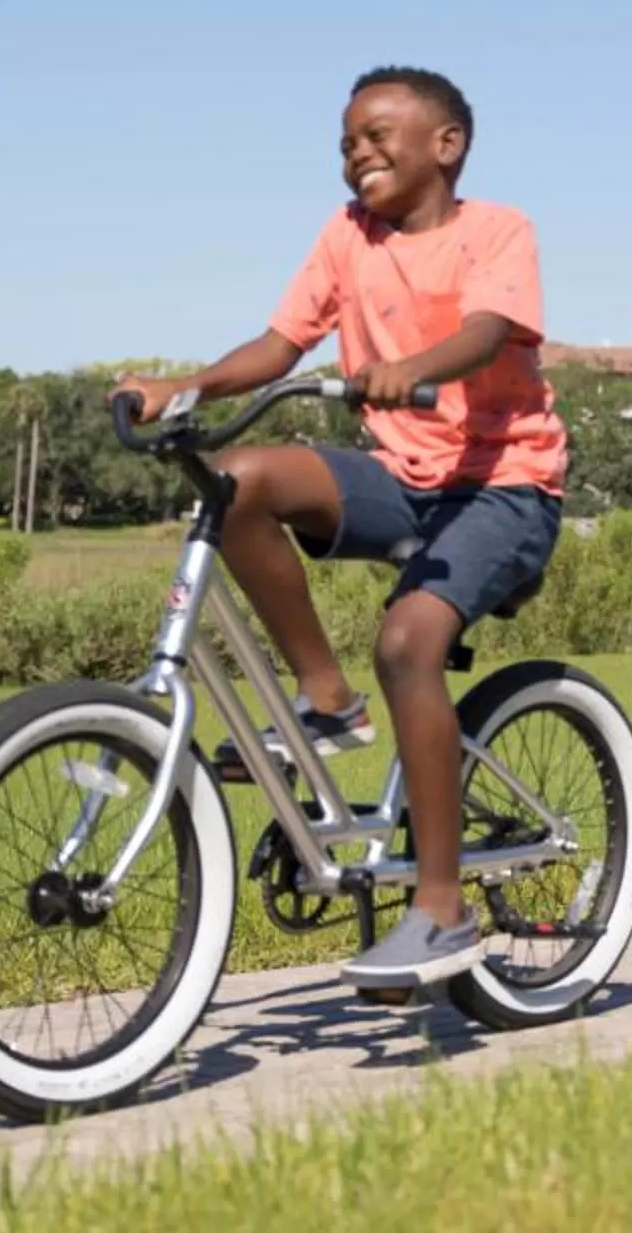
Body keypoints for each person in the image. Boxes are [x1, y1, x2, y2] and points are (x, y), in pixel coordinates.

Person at [111, 67, 566, 990]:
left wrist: (412, 366)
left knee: (408, 642)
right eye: (345, 140)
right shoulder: (346, 238)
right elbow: (281, 348)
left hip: (505, 487)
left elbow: (486, 333)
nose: (357, 150)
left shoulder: (497, 230)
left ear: (447, 146)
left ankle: (440, 909)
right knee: (235, 482)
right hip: (403, 479)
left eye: (378, 133)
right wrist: (180, 389)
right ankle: (327, 703)